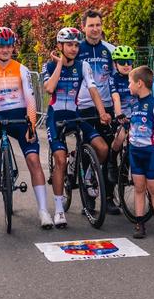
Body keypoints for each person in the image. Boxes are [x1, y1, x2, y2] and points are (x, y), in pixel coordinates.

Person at [0, 25, 53, 229]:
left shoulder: (21, 69)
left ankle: (43, 211)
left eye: (8, 46)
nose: (5, 49)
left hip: (21, 117)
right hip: (0, 116)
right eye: (1, 46)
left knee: (34, 161)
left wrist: (31, 126)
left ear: (13, 47)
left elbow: (31, 100)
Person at [42, 26, 111, 228]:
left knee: (102, 148)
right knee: (60, 160)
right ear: (60, 46)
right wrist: (59, 64)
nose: (73, 48)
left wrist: (102, 113)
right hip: (55, 117)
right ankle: (59, 209)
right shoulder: (49, 65)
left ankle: (88, 176)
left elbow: (93, 89)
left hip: (75, 114)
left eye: (75, 45)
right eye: (69, 45)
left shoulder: (83, 65)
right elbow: (49, 88)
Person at [122, 66, 154, 239]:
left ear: (139, 83)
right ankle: (139, 223)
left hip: (150, 152)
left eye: (130, 82)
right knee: (139, 187)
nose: (128, 86)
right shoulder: (133, 103)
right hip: (135, 152)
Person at [77, 11, 118, 199]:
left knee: (109, 153)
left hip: (106, 105)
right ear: (83, 27)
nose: (95, 29)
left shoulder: (110, 49)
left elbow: (118, 77)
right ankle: (89, 198)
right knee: (88, 149)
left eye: (98, 25)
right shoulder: (76, 49)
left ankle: (108, 197)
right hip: (83, 106)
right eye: (91, 25)